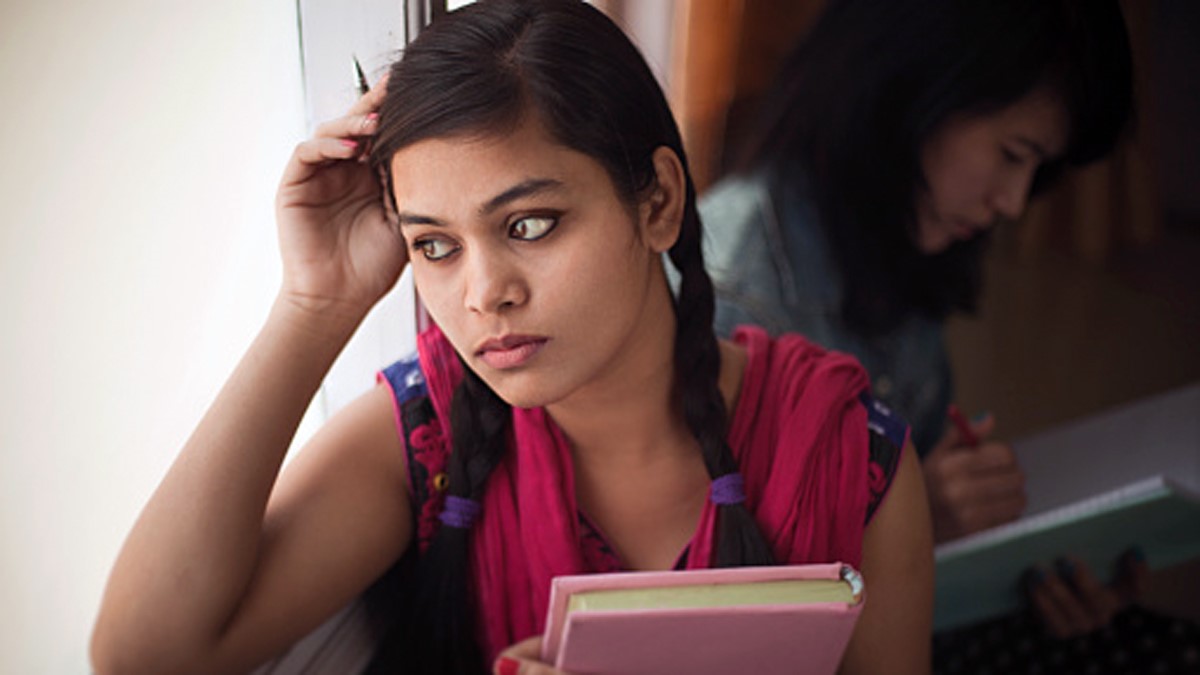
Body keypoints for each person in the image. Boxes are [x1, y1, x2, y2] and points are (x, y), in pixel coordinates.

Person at [89, 2, 932, 674]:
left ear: (659, 202)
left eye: (530, 224)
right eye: (434, 245)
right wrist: (315, 304)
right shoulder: (427, 432)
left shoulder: (850, 451)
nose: (484, 293)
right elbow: (148, 653)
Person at [698, 0, 1189, 664]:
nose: (1013, 202)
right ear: (913, 92)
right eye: (1013, 154)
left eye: (1036, 171)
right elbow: (706, 605)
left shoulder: (901, 252)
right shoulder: (726, 294)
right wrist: (899, 518)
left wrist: (1031, 575)